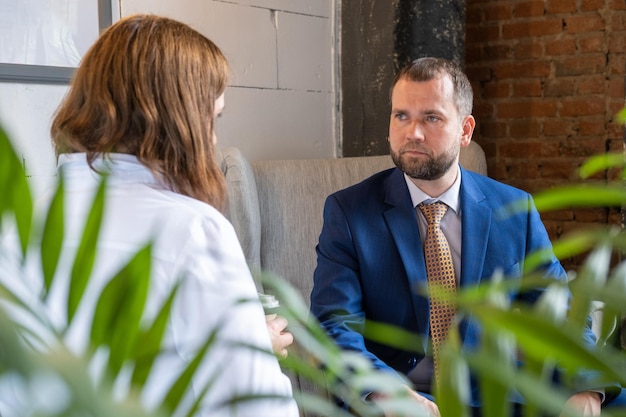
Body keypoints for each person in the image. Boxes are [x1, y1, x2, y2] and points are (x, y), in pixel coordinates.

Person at [1, 14, 298, 417]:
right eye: (213, 118)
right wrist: (255, 350)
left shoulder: (20, 224)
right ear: (181, 120)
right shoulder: (196, 229)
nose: (213, 138)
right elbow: (259, 408)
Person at [309, 57, 610, 417]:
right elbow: (333, 324)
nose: (412, 132)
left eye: (431, 118)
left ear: (465, 130)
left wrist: (587, 390)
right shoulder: (349, 212)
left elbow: (559, 312)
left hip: (498, 398)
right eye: (401, 115)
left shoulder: (515, 210)